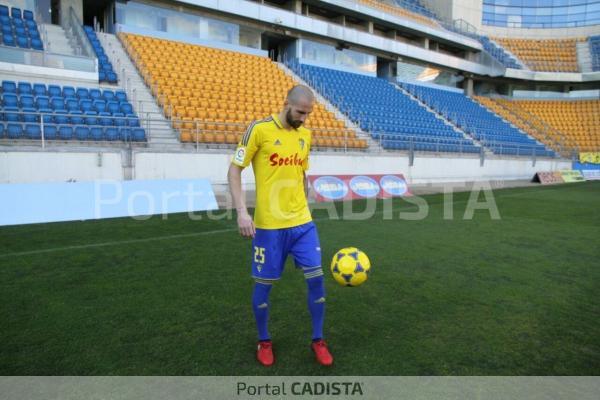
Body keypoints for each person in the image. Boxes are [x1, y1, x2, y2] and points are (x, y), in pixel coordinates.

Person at [227, 85, 333, 367]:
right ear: (286, 103)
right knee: (263, 287)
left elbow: (301, 174)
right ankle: (264, 340)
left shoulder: (305, 136)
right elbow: (234, 169)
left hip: (303, 224)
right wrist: (241, 212)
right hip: (269, 227)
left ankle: (318, 340)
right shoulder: (259, 130)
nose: (304, 118)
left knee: (317, 279)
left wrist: (305, 202)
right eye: (300, 112)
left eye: (308, 114)